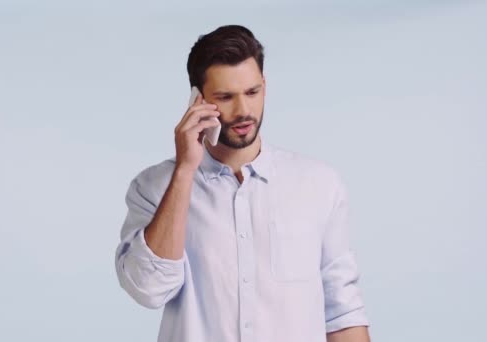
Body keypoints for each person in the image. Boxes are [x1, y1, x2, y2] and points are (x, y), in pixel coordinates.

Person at [114, 24, 371, 342]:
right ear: (197, 99)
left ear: (265, 86)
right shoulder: (153, 187)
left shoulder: (318, 184)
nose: (244, 111)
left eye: (252, 92)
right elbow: (149, 290)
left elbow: (343, 313)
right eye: (225, 97)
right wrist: (184, 170)